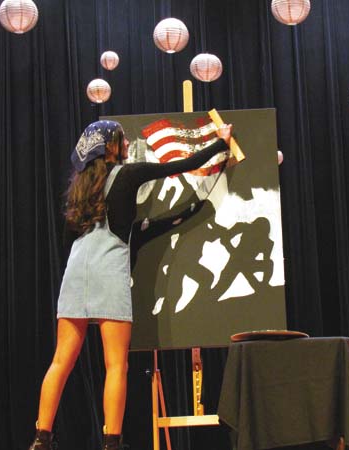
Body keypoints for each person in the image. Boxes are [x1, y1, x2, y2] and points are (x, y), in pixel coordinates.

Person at [28, 120, 232, 450]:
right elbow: (182, 165)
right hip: (109, 271)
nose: (126, 144)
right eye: (122, 140)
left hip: (76, 273)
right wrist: (221, 143)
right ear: (110, 147)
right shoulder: (128, 174)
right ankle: (112, 443)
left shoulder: (80, 189)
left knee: (60, 362)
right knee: (115, 365)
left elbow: (69, 240)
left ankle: (42, 439)